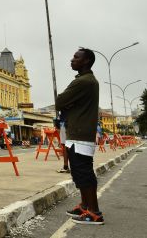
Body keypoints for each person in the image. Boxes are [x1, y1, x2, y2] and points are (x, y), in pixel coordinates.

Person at [55, 48, 103, 225]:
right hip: (77, 133)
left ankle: (95, 212)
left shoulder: (83, 82)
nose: (72, 59)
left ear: (86, 61)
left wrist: (68, 103)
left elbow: (60, 101)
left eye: (76, 57)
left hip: (80, 134)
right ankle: (84, 206)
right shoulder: (86, 81)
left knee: (84, 172)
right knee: (79, 172)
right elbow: (65, 103)